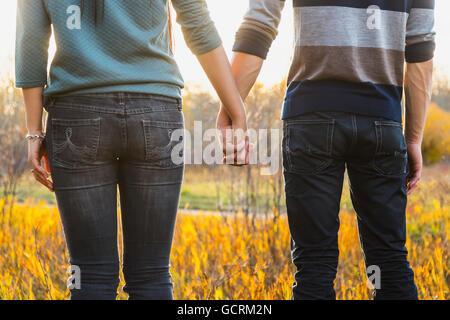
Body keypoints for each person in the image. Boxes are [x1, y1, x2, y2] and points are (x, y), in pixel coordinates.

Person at [16, 0, 247, 300]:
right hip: (156, 112)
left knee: (89, 274)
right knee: (152, 273)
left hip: (77, 115)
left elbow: (31, 41)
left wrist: (35, 132)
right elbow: (197, 22)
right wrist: (236, 109)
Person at [223, 0, 435, 299]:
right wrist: (413, 137)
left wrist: (231, 109)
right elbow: (420, 48)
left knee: (314, 265)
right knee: (388, 262)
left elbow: (260, 24)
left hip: (312, 118)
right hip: (381, 120)